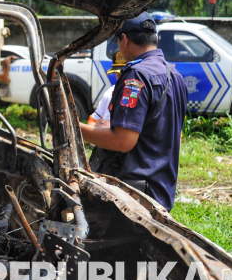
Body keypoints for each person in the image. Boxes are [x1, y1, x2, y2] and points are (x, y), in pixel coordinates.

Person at [80, 13, 187, 211]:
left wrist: (76, 129)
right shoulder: (176, 75)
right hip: (161, 191)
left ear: (125, 40)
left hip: (133, 194)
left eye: (118, 41)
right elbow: (176, 138)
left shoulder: (136, 76)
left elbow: (123, 141)